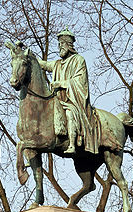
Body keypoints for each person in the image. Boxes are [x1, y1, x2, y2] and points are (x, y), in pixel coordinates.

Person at [38, 27, 98, 155]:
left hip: (72, 101)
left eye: (62, 45)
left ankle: (72, 144)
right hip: (57, 100)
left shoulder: (78, 60)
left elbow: (80, 82)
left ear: (69, 45)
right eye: (59, 45)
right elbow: (44, 64)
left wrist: (60, 83)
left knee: (70, 114)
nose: (60, 48)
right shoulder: (58, 63)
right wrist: (29, 56)